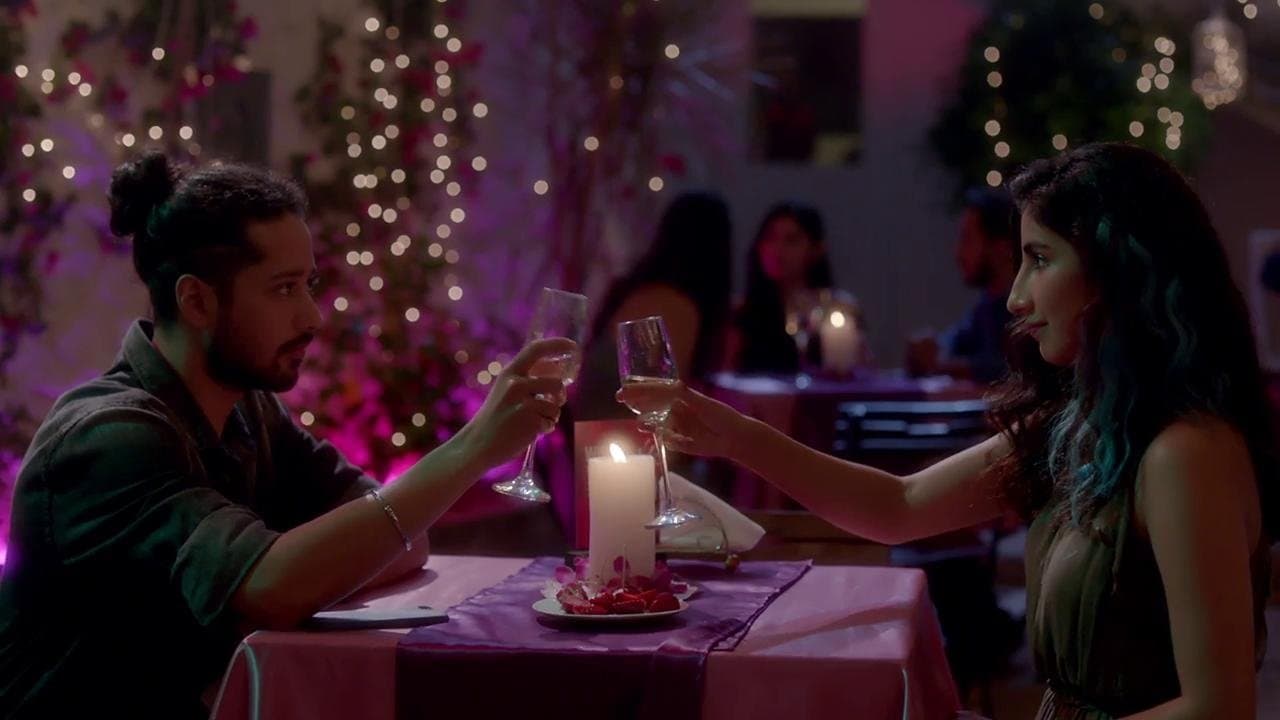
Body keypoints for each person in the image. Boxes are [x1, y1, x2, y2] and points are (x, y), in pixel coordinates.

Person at [622, 143, 1276, 719]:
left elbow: (1218, 708)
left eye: (1039, 259)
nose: (1016, 297)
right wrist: (738, 436)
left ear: (1116, 271)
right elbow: (898, 506)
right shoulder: (1080, 425)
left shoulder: (1183, 453)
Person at [0, 152, 571, 718]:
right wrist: (473, 448)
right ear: (196, 301)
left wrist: (301, 574)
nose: (312, 317)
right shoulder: (111, 437)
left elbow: (403, 540)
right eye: (283, 289)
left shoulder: (249, 410)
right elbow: (273, 589)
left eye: (309, 285)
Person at [573, 191, 732, 422]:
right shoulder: (677, 307)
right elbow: (668, 402)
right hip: (622, 432)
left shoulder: (633, 290)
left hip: (590, 429)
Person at [906, 187, 1019, 383]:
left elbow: (1011, 370)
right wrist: (925, 351)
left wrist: (943, 366)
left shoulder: (1023, 308)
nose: (958, 254)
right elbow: (951, 346)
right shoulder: (985, 307)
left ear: (1001, 247)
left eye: (968, 239)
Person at [727, 202, 836, 374]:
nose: (778, 250)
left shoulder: (833, 310)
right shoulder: (741, 313)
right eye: (770, 238)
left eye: (791, 240)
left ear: (815, 249)